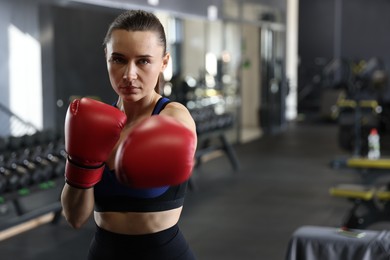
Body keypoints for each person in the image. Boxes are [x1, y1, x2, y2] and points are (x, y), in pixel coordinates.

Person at [60, 9, 198, 259]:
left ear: (164, 62)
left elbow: (181, 133)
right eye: (119, 59)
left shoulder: (173, 117)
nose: (129, 75)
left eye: (143, 61)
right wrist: (81, 162)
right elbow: (75, 217)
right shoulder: (94, 125)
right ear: (106, 57)